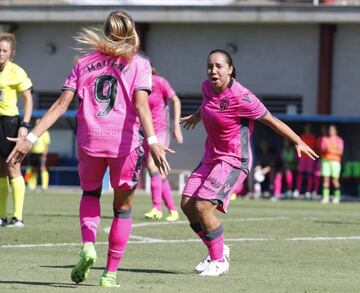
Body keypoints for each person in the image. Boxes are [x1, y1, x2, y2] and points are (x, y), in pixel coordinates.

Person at [7, 10, 172, 288]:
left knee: (90, 194)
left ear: (105, 32)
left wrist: (31, 137)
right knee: (122, 210)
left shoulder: (84, 62)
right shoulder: (139, 64)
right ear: (132, 34)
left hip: (90, 142)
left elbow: (60, 106)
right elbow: (142, 105)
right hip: (124, 145)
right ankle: (110, 274)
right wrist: (154, 141)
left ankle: (87, 246)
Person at [180, 49, 318, 277]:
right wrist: (197, 116)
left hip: (234, 159)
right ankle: (217, 249)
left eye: (219, 66)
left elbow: (271, 120)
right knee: (187, 205)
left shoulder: (243, 98)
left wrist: (298, 141)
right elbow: (208, 104)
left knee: (203, 207)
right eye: (210, 66)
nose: (213, 70)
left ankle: (219, 260)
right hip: (210, 157)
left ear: (230, 69)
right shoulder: (207, 87)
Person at [0, 32, 33, 228]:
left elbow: (28, 99)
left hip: (9, 123)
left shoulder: (16, 72)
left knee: (13, 167)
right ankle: (2, 216)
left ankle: (17, 217)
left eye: (4, 50)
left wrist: (25, 125)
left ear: (11, 53)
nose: (0, 53)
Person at [143, 65, 183, 221]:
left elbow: (176, 100)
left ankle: (156, 208)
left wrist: (176, 126)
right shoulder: (137, 85)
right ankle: (173, 210)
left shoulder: (159, 82)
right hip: (146, 132)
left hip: (161, 130)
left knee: (152, 165)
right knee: (160, 172)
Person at [320, 124, 344, 204]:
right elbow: (322, 150)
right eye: (330, 130)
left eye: (332, 130)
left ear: (335, 131)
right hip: (326, 161)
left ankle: (337, 197)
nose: (331, 131)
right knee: (326, 179)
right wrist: (325, 149)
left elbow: (340, 152)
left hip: (335, 161)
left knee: (335, 180)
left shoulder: (339, 140)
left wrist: (331, 150)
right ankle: (325, 198)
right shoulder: (325, 139)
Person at [26, 118, 51, 191]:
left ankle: (44, 186)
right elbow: (29, 143)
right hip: (33, 154)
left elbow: (46, 145)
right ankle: (31, 186)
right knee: (32, 170)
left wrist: (44, 155)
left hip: (41, 154)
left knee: (42, 168)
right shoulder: (32, 132)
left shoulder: (45, 133)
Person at [293, 124, 316, 198]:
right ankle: (298, 190)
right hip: (302, 157)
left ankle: (308, 191)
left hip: (310, 157)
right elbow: (297, 145)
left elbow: (315, 147)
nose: (307, 130)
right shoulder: (302, 136)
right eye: (306, 128)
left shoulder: (313, 137)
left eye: (308, 128)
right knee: (300, 174)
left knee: (309, 174)